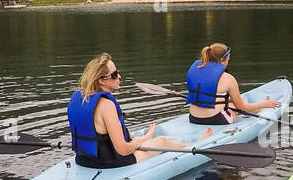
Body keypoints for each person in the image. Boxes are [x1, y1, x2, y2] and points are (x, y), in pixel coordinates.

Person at [68, 53, 202, 169]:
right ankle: (195, 146)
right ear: (102, 81)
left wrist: (143, 139)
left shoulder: (80, 98)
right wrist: (138, 143)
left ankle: (146, 138)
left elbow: (102, 137)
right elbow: (123, 149)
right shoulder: (106, 105)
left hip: (83, 160)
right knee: (161, 141)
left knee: (138, 139)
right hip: (108, 163)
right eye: (114, 74)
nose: (119, 76)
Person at [186, 42, 281, 126]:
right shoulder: (228, 78)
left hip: (194, 118)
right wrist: (264, 104)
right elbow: (242, 107)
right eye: (228, 60)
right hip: (216, 119)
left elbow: (208, 95)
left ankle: (247, 105)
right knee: (237, 105)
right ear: (222, 61)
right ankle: (258, 108)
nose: (227, 63)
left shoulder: (196, 70)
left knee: (233, 103)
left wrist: (231, 100)